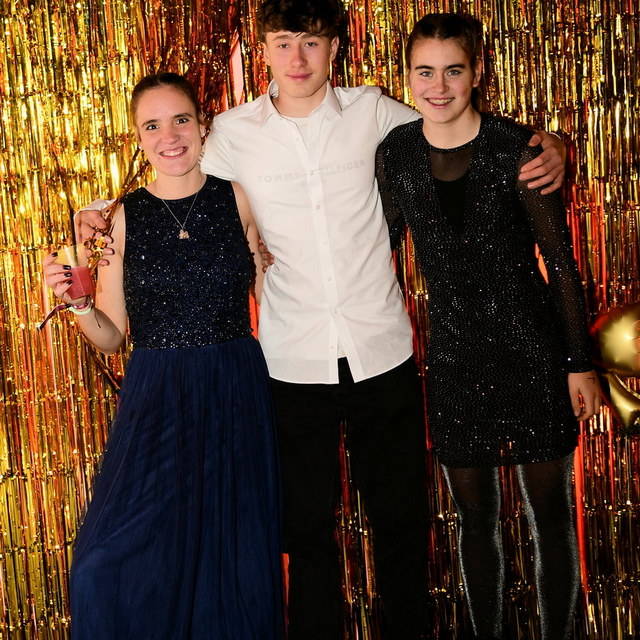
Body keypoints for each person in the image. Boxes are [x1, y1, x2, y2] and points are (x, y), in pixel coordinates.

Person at [74, 2, 568, 638]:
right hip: (290, 363)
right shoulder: (230, 135)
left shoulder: (375, 112)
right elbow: (171, 168)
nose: (298, 58)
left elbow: (453, 119)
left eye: (311, 42)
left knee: (401, 529)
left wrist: (549, 142)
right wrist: (101, 210)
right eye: (283, 43)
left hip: (381, 352)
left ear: (335, 47)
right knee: (306, 538)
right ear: (263, 51)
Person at [375, 13, 600, 640]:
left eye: (453, 70)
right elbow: (376, 247)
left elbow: (560, 265)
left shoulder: (517, 149)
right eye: (425, 72)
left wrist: (578, 363)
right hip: (453, 360)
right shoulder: (396, 153)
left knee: (549, 515)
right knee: (474, 520)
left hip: (533, 353)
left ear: (477, 73)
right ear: (408, 77)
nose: (438, 86)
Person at [43, 73, 283, 639]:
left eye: (180, 120)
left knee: (231, 561)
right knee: (101, 563)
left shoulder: (238, 197)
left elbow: (270, 291)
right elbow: (111, 336)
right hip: (157, 395)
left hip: (235, 388)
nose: (169, 136)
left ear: (203, 126)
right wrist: (79, 304)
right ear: (138, 137)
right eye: (152, 125)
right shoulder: (120, 219)